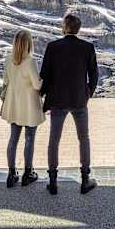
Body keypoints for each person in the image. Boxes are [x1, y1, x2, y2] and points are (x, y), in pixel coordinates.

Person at [40, 13, 99, 195]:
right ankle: (85, 179)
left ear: (64, 28)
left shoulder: (53, 47)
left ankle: (53, 180)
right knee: (83, 138)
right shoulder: (87, 47)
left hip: (57, 100)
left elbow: (45, 75)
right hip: (79, 100)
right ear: (78, 29)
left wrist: (42, 96)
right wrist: (88, 92)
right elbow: (94, 74)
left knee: (54, 140)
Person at [0, 29, 44, 188]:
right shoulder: (30, 61)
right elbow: (37, 84)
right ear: (28, 44)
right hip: (29, 106)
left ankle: (11, 174)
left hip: (14, 105)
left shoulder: (8, 59)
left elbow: (6, 81)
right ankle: (28, 173)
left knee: (13, 139)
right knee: (29, 139)